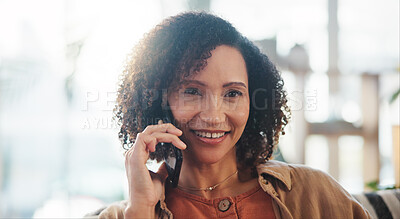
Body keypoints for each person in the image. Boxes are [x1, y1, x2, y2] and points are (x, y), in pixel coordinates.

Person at [94, 12, 371, 218]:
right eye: (192, 91)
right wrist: (141, 210)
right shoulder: (124, 214)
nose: (214, 116)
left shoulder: (313, 193)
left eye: (233, 93)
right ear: (159, 101)